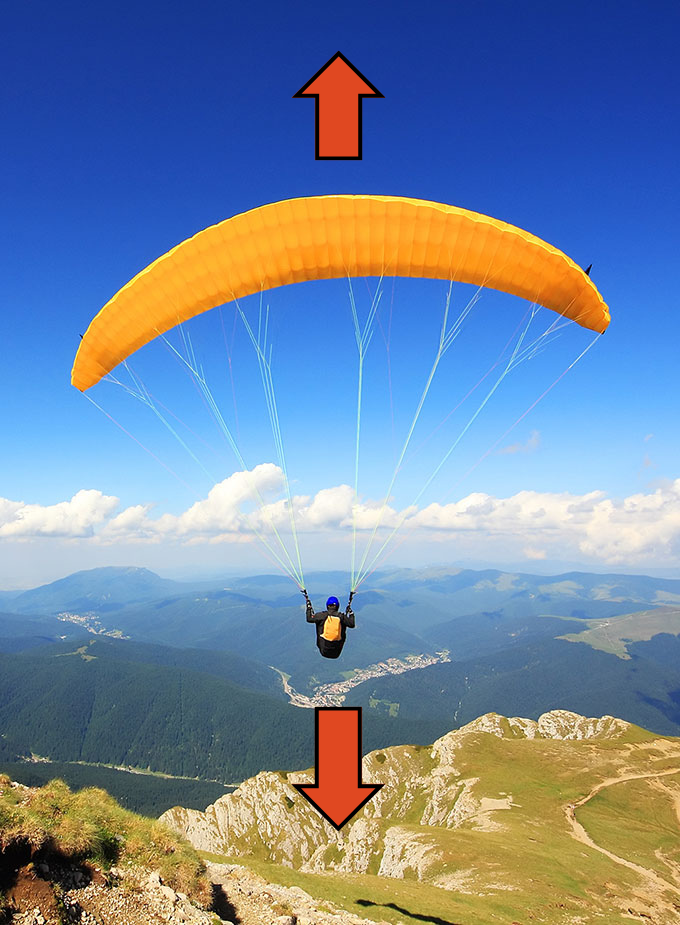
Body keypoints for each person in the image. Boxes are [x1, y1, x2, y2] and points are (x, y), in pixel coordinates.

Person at [302, 590, 355, 659]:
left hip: (323, 650)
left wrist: (309, 608)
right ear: (338, 606)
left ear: (327, 606)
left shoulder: (321, 616)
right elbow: (352, 624)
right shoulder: (341, 617)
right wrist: (351, 614)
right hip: (336, 653)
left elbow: (309, 619)